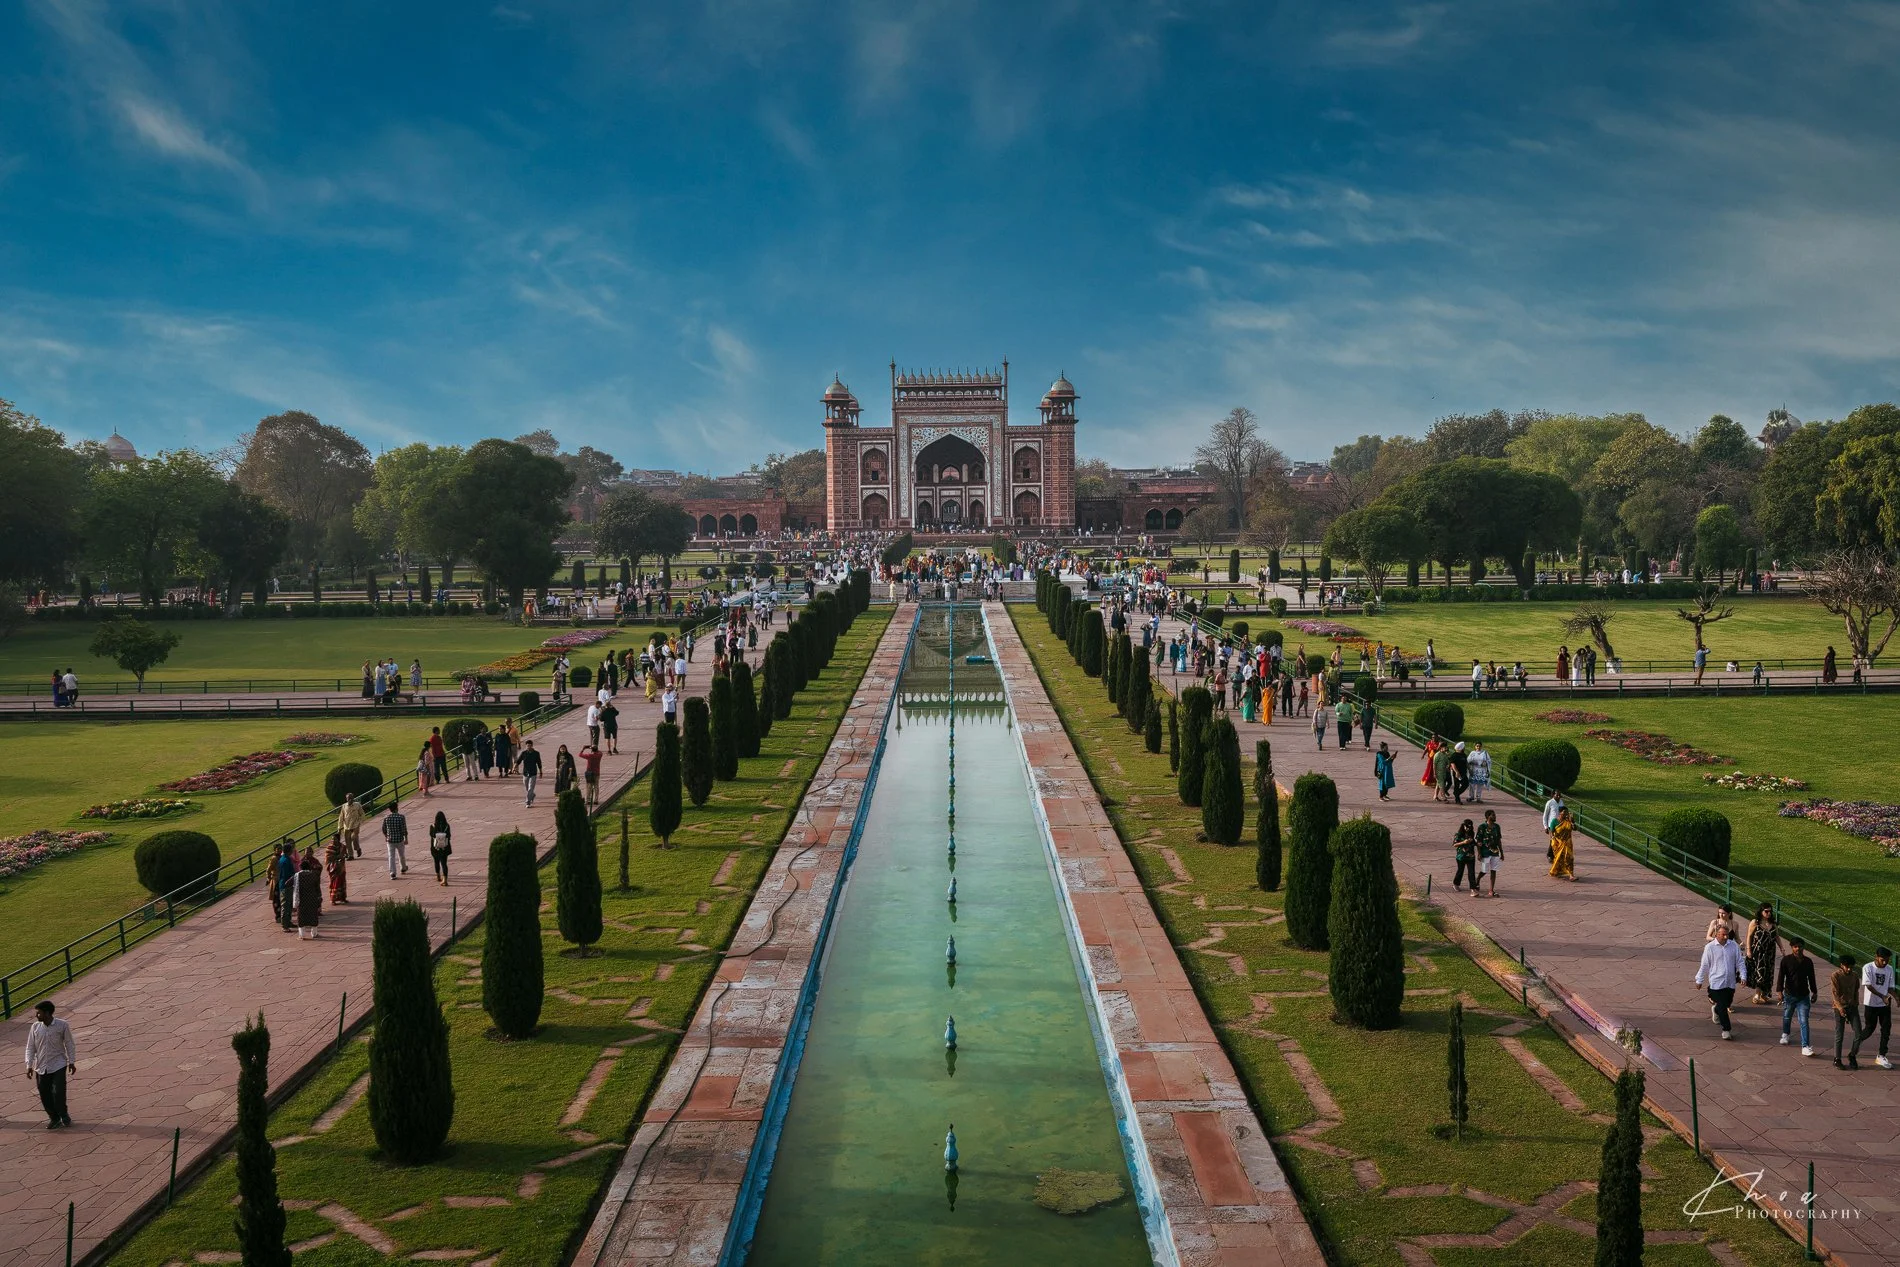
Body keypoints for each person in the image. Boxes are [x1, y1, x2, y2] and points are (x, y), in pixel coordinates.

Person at [23, 999, 76, 1129]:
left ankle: (63, 1114)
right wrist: (29, 1065)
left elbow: (69, 1043)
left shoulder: (62, 1025)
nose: (37, 1015)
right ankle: (54, 1118)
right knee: (44, 1094)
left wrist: (72, 1061)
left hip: (58, 1064)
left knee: (58, 1092)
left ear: (47, 1013)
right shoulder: (35, 1027)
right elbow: (30, 1047)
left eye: (39, 1013)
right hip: (41, 1066)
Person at [1696, 922, 1746, 1040]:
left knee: (1727, 1003)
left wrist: (1743, 976)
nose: (1725, 937)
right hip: (1716, 983)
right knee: (1723, 1007)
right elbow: (1704, 965)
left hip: (1730, 982)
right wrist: (1699, 979)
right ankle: (1726, 1030)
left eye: (1727, 934)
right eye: (1723, 934)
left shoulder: (1733, 946)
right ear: (1716, 934)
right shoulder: (1710, 948)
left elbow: (1740, 962)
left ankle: (1716, 1009)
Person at [1850, 946, 1894, 1070]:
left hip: (1884, 1005)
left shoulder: (1889, 969)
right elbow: (1868, 986)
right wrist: (1882, 996)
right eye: (1882, 960)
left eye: (1887, 960)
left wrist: (1896, 997)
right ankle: (1853, 1050)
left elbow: (1890, 987)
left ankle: (1881, 1055)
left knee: (1886, 1029)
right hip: (1871, 1004)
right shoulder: (1868, 967)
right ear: (1876, 957)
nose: (1885, 962)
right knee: (1869, 1029)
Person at [1776, 937, 1816, 1056]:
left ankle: (1805, 1046)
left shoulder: (1808, 962)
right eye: (1795, 946)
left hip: (1803, 996)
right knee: (1787, 1016)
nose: (1798, 949)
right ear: (1792, 947)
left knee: (1804, 1021)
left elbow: (1812, 977)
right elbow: (1781, 976)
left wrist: (1814, 992)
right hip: (1789, 995)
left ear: (1803, 947)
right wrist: (1779, 991)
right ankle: (1786, 1034)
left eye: (1800, 946)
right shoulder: (1786, 960)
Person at [1745, 903, 1779, 1005]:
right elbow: (1749, 936)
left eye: (1770, 911)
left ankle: (1765, 993)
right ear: (1761, 911)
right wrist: (1748, 950)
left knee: (1769, 973)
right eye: (1766, 911)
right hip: (1758, 952)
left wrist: (1782, 948)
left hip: (1770, 952)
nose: (1768, 913)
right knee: (1759, 972)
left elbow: (1776, 936)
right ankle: (1757, 994)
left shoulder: (1773, 923)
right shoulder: (1755, 922)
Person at [1832, 954, 1861, 1069]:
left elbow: (1856, 990)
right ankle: (1837, 1059)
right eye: (1847, 967)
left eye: (1851, 967)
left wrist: (1856, 1003)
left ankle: (1852, 1055)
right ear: (1842, 965)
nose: (1849, 969)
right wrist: (1840, 1008)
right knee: (1840, 1034)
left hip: (1852, 1007)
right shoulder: (1836, 975)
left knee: (1859, 1033)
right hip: (1839, 1007)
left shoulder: (1854, 975)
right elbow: (1835, 994)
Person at [293, 849, 323, 939]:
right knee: (313, 916)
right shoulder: (314, 875)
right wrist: (319, 898)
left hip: (301, 899)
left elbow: (287, 883)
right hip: (312, 898)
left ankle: (302, 935)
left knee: (301, 917)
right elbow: (317, 888)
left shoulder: (297, 876)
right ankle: (314, 934)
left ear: (301, 867)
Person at [1476, 810, 1503, 896]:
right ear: (1488, 817)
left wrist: (1501, 853)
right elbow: (1478, 841)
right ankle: (1478, 879)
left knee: (1493, 870)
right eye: (1493, 815)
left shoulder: (1497, 827)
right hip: (1485, 851)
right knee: (1484, 870)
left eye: (1495, 815)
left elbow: (1499, 840)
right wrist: (1479, 853)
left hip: (1495, 852)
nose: (1495, 817)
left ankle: (1491, 890)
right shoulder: (1482, 827)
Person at [383, 799, 410, 877]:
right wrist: (406, 838)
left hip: (390, 840)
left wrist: (386, 836)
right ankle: (403, 867)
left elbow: (384, 828)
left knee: (391, 856)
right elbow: (404, 828)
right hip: (399, 839)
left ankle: (392, 873)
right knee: (401, 855)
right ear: (396, 808)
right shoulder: (401, 817)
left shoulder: (387, 818)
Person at [275, 840, 298, 931]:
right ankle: (285, 925)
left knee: (289, 905)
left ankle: (288, 922)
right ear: (289, 850)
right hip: (286, 885)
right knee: (285, 905)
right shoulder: (285, 860)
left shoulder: (286, 859)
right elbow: (285, 875)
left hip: (287, 884)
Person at [1547, 807, 1575, 880]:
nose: (1566, 814)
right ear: (1560, 812)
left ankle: (1571, 875)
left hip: (1568, 843)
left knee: (1569, 858)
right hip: (1558, 843)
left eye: (1567, 812)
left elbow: (1575, 828)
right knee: (1559, 859)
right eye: (1564, 812)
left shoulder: (1568, 821)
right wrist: (1552, 837)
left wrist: (1572, 822)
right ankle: (1556, 871)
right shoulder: (1555, 821)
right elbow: (1551, 831)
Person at [1452, 819, 1478, 892]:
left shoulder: (1472, 834)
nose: (1468, 829)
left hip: (1470, 856)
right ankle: (1456, 883)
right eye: (1466, 827)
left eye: (1469, 827)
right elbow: (1454, 844)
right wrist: (1463, 842)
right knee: (1460, 871)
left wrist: (1477, 843)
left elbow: (1474, 842)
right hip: (1461, 856)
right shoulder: (1458, 834)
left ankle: (1473, 888)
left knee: (1471, 872)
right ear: (1463, 826)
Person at [337, 793, 365, 859]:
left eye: (351, 798)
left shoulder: (357, 805)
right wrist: (339, 828)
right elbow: (341, 817)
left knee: (354, 838)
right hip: (347, 826)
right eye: (348, 798)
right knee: (348, 841)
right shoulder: (344, 806)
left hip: (355, 825)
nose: (350, 799)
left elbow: (362, 814)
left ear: (353, 798)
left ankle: (357, 848)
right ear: (346, 799)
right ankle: (351, 855)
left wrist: (360, 821)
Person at [324, 831, 349, 904]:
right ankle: (333, 899)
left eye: (335, 839)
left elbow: (345, 854)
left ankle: (342, 898)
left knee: (342, 882)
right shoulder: (329, 848)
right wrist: (338, 857)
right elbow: (328, 858)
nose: (333, 841)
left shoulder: (342, 846)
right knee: (335, 882)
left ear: (338, 839)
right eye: (332, 839)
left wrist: (344, 856)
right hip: (333, 868)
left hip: (341, 867)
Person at [428, 811, 452, 885]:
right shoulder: (447, 825)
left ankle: (438, 876)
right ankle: (445, 879)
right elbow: (449, 836)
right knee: (444, 863)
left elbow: (431, 835)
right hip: (445, 848)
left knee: (436, 861)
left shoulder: (433, 826)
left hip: (435, 848)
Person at [519, 739, 543, 806]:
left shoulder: (536, 753)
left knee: (530, 788)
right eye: (527, 746)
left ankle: (528, 801)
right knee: (527, 787)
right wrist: (514, 767)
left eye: (530, 746)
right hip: (525, 773)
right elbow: (519, 760)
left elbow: (539, 763)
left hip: (533, 773)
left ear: (532, 746)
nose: (528, 747)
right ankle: (532, 795)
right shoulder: (523, 753)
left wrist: (541, 772)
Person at [580, 742, 603, 809]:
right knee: (596, 786)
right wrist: (593, 747)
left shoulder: (589, 756)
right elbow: (599, 751)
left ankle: (588, 800)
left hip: (589, 773)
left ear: (592, 750)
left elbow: (580, 754)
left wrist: (584, 748)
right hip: (597, 772)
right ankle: (596, 800)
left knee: (589, 786)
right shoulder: (599, 755)